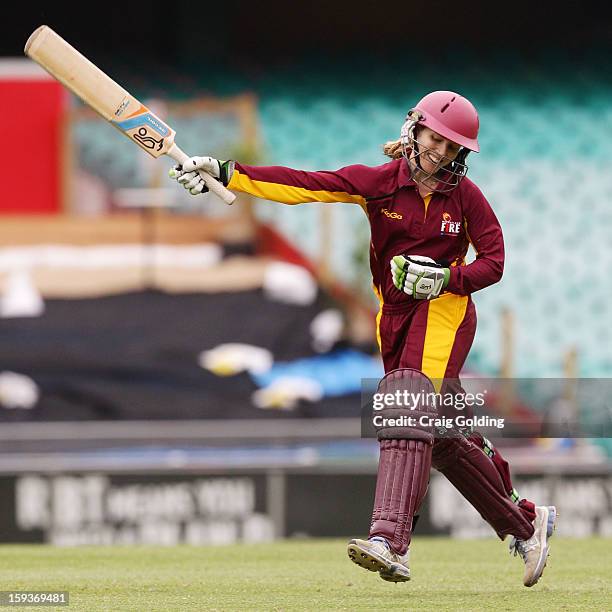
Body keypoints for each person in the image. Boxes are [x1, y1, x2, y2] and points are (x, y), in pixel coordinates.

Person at [168, 90, 557, 587]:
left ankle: (390, 541)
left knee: (404, 407)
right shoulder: (377, 184)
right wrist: (227, 172)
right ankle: (525, 522)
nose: (440, 152)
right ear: (414, 130)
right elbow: (305, 185)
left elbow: (495, 261)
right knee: (440, 438)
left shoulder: (467, 198)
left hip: (445, 313)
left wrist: (445, 279)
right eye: (434, 138)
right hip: (393, 318)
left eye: (452, 147)